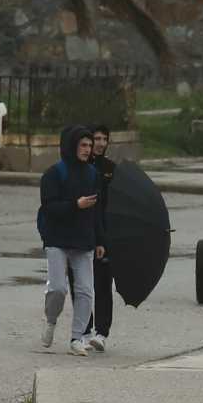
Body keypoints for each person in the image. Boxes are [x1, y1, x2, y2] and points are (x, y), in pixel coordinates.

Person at [38, 125, 105, 356]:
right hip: (57, 239)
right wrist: (75, 205)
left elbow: (96, 211)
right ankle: (51, 320)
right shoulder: (54, 173)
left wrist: (99, 240)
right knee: (57, 289)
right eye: (83, 145)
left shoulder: (92, 174)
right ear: (71, 146)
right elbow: (48, 207)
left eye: (90, 145)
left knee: (86, 291)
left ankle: (77, 337)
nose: (88, 149)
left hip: (83, 240)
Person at [84, 123, 116, 351]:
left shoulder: (111, 169)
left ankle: (101, 333)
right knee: (82, 286)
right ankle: (84, 330)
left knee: (103, 285)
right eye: (97, 138)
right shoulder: (80, 167)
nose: (101, 143)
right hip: (83, 235)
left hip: (106, 235)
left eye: (105, 139)